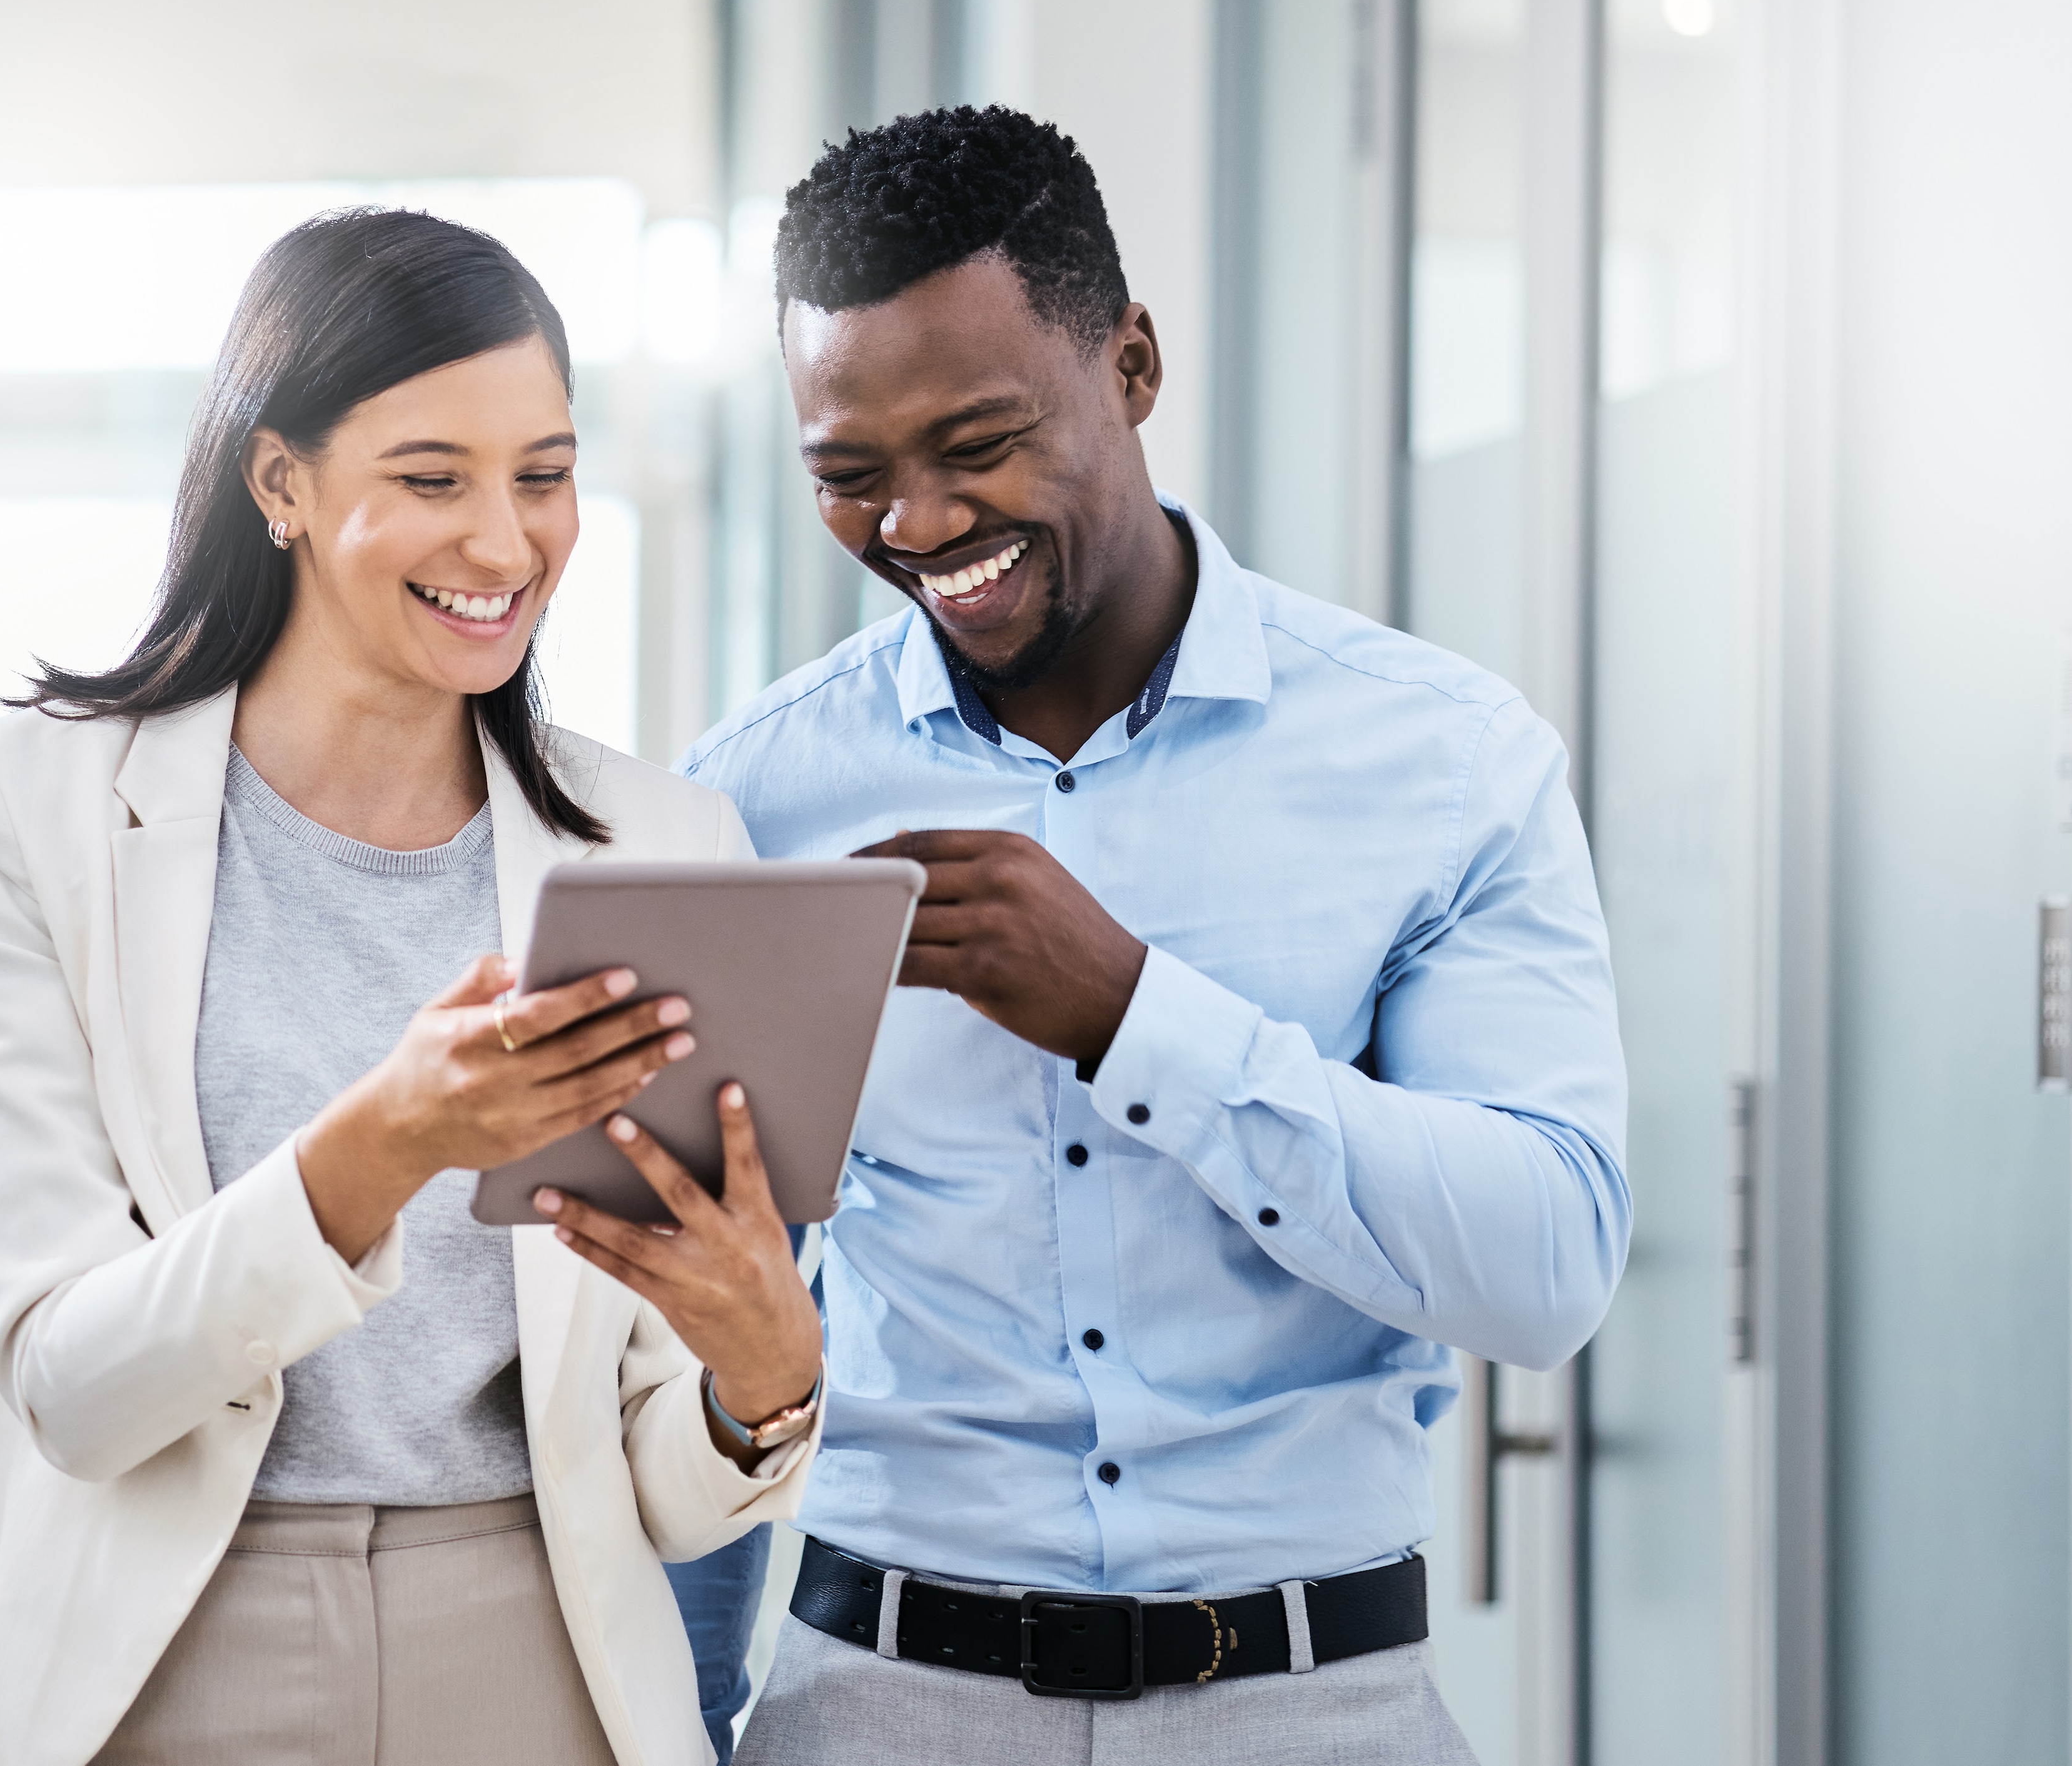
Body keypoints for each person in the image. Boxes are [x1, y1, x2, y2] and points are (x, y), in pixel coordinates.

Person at [0, 210, 829, 1766]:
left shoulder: (664, 847)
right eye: (431, 479)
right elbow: (71, 1387)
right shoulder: (24, 813)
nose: (504, 540)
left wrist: (765, 1376)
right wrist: (383, 1145)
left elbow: (666, 1488)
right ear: (279, 481)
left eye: (542, 475)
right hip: (169, 1636)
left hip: (539, 1642)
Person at [673, 108, 1630, 1763]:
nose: (914, 522)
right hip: (882, 1702)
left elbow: (1547, 1266)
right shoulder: (747, 801)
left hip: (1319, 1706)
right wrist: (678, 1727)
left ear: (1131, 363)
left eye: (977, 442)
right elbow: (685, 1304)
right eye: (850, 476)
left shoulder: (1444, 759)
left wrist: (1133, 1015)